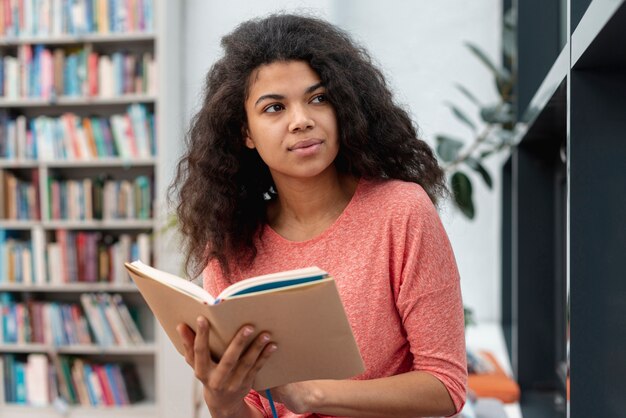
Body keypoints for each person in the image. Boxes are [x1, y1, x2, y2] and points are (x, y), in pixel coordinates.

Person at [171, 13, 467, 418]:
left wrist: (313, 395)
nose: (301, 121)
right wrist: (222, 401)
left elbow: (445, 387)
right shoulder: (231, 243)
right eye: (274, 107)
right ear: (246, 133)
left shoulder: (402, 212)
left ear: (343, 106)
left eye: (318, 98)